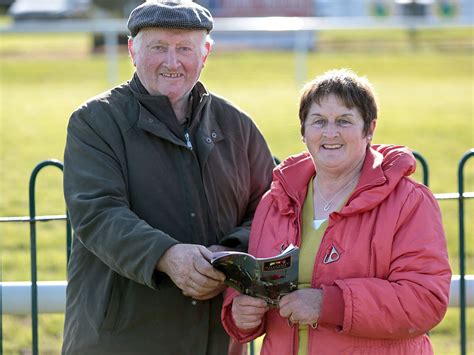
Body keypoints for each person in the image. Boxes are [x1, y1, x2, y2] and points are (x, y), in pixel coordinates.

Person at [61, 1, 275, 354]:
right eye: (158, 47)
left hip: (215, 340)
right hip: (119, 340)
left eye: (184, 49)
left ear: (205, 53)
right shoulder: (95, 123)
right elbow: (98, 214)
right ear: (133, 50)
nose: (172, 62)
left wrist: (227, 257)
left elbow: (270, 209)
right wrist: (167, 256)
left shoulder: (237, 126)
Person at [221, 69, 452, 354]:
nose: (330, 133)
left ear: (369, 129)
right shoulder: (275, 201)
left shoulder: (409, 201)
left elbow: (425, 300)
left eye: (344, 121)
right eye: (318, 121)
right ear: (303, 132)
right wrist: (242, 312)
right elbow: (256, 281)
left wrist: (330, 304)